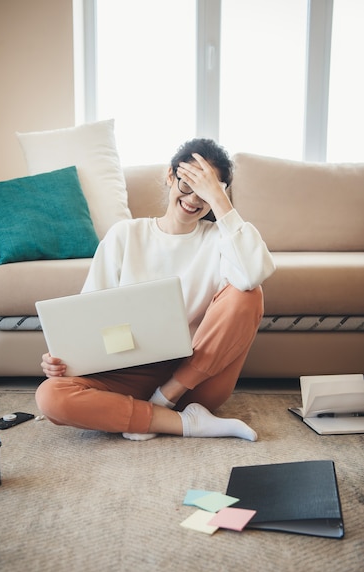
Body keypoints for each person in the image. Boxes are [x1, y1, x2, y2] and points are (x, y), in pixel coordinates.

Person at [36, 138, 275, 441]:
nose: (193, 200)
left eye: (205, 192)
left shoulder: (219, 240)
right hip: (126, 373)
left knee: (248, 294)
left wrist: (219, 198)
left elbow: (254, 274)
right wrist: (64, 358)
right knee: (50, 397)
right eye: (187, 184)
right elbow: (89, 314)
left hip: (193, 379)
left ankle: (162, 403)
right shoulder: (126, 234)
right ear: (169, 176)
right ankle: (185, 423)